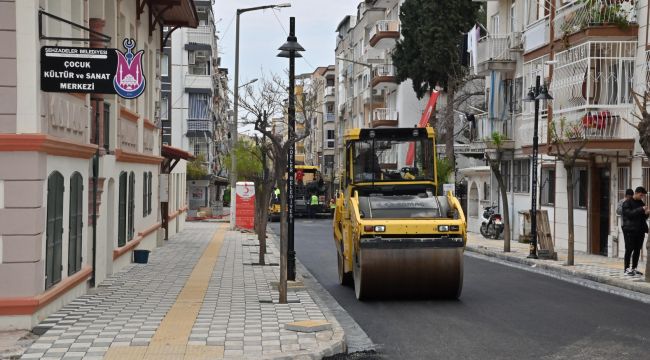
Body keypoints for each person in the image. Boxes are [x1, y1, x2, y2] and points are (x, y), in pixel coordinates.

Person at [621, 186, 650, 276]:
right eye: (641, 195)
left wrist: (647, 214)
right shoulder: (627, 203)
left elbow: (642, 217)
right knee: (629, 249)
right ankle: (626, 269)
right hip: (629, 229)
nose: (642, 197)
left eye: (643, 196)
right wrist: (641, 209)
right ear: (636, 193)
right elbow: (629, 214)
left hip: (639, 229)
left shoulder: (641, 203)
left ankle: (634, 268)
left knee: (637, 249)